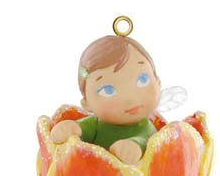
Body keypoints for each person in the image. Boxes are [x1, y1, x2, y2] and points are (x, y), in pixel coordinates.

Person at [50, 35, 161, 164]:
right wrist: (73, 127)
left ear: (158, 83)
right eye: (108, 90)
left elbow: (147, 140)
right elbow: (83, 130)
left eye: (143, 79)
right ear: (86, 103)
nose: (129, 98)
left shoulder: (145, 127)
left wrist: (136, 144)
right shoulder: (96, 125)